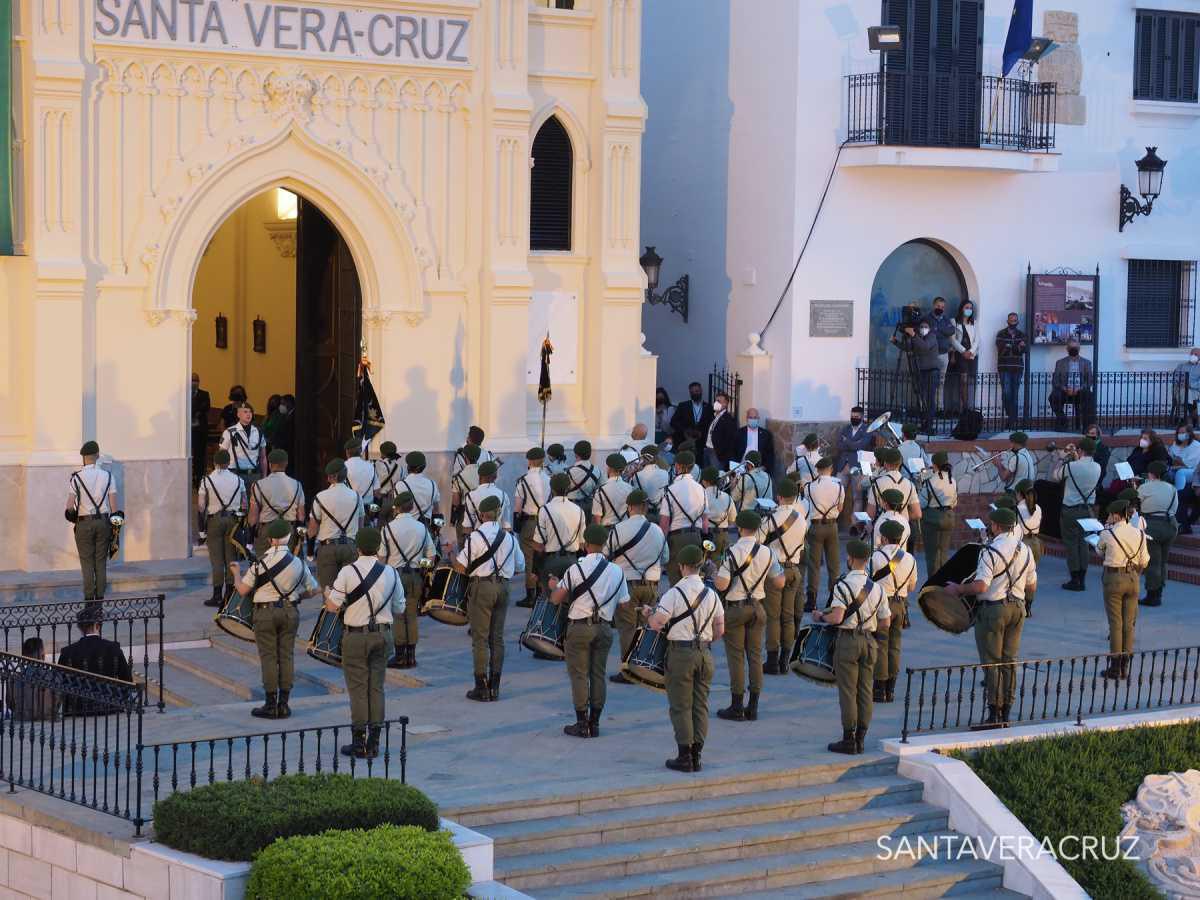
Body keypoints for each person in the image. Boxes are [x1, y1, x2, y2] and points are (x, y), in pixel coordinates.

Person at [944, 508, 1036, 727]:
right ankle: (1007, 711)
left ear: (995, 526)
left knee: (992, 662)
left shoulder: (990, 551)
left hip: (994, 609)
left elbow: (981, 586)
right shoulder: (1025, 549)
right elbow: (1032, 584)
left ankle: (994, 712)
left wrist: (958, 589)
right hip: (1018, 607)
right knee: (1010, 660)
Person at [325, 527, 403, 758]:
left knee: (359, 689)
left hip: (356, 636)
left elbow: (332, 607)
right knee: (376, 687)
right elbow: (399, 608)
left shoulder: (348, 572)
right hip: (383, 634)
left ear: (357, 548)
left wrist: (327, 592)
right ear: (378, 548)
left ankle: (359, 742)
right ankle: (375, 742)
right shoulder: (391, 572)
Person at [230, 519, 320, 719]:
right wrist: (296, 596)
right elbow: (314, 590)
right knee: (286, 656)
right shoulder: (298, 562)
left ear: (270, 540)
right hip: (290, 611)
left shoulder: (260, 563)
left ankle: (271, 704)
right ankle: (284, 704)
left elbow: (243, 590)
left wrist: (236, 574)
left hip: (265, 613)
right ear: (288, 539)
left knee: (269, 658)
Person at [646, 543, 724, 773]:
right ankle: (697, 755)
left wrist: (649, 614)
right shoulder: (711, 594)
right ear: (700, 566)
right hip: (704, 653)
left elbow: (657, 624)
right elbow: (720, 629)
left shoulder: (674, 593)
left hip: (681, 654)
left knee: (681, 706)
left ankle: (684, 757)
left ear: (681, 567)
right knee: (700, 706)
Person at [549, 524, 628, 738]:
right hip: (604, 627)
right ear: (604, 545)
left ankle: (582, 723)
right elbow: (624, 605)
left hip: (580, 627)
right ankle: (595, 723)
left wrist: (554, 586)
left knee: (579, 675)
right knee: (598, 674)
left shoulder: (576, 569)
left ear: (585, 544)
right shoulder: (617, 571)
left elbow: (556, 599)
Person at [812, 539, 888, 754]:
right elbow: (886, 622)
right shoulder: (878, 588)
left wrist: (820, 617)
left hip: (848, 641)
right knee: (865, 691)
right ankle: (861, 739)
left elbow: (836, 617)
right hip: (869, 641)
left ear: (851, 558)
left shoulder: (842, 585)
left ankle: (848, 739)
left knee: (848, 692)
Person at [712, 510, 784, 723]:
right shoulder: (768, 552)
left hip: (736, 607)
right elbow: (779, 582)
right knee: (754, 657)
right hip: (758, 607)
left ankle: (736, 706)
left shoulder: (732, 552)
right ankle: (753, 706)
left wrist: (714, 574)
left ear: (740, 529)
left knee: (736, 658)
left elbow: (722, 584)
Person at [453, 495, 525, 702]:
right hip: (503, 586)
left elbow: (460, 567)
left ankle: (481, 686)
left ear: (482, 515)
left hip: (482, 587)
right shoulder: (510, 538)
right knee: (497, 638)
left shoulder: (475, 537)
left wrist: (451, 555)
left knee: (480, 639)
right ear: (498, 513)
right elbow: (520, 567)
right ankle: (495, 687)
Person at [605, 490, 668, 673]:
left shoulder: (618, 529)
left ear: (629, 507)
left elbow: (606, 555)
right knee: (646, 626)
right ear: (646, 507)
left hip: (627, 585)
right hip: (651, 585)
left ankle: (629, 670)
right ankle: (644, 665)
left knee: (627, 628)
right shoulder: (657, 530)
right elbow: (665, 558)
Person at [378, 492, 436, 668]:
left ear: (396, 508)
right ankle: (411, 656)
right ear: (411, 507)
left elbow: (381, 558)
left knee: (397, 616)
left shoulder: (387, 529)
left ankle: (400, 655)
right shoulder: (421, 528)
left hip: (395, 575)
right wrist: (421, 566)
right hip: (415, 576)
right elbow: (431, 557)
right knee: (411, 615)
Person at [1094, 500, 1149, 680]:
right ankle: (1125, 665)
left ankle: (1115, 667)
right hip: (1133, 577)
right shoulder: (1139, 533)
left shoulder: (1107, 533)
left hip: (1114, 578)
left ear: (1116, 515)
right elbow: (1144, 561)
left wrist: (1105, 531)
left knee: (1115, 623)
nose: (1108, 518)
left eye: (1110, 515)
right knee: (1129, 623)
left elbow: (1099, 551)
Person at [757, 479, 807, 676]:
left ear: (779, 497)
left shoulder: (773, 518)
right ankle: (785, 661)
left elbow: (760, 541)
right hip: (794, 569)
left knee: (773, 617)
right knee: (788, 617)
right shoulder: (801, 519)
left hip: (776, 570)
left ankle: (772, 661)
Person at [871, 519, 917, 705]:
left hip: (882, 604)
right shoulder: (909, 558)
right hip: (900, 605)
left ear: (883, 538)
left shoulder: (876, 557)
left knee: (881, 644)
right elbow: (912, 586)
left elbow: (869, 583)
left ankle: (880, 687)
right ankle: (891, 687)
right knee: (895, 645)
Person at [66, 441, 119, 603]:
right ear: (97, 456)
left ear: (83, 457)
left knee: (87, 562)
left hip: (83, 523)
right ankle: (100, 600)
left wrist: (74, 516)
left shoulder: (77, 478)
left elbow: (69, 507)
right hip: (103, 522)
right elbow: (114, 508)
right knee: (100, 562)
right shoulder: (108, 476)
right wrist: (115, 533)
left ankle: (90, 602)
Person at [58, 608, 133, 714]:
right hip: (110, 706)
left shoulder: (68, 652)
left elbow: (60, 683)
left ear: (80, 628)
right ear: (97, 626)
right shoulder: (113, 648)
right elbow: (127, 680)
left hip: (79, 709)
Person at [198, 449, 247, 607]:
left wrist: (201, 529)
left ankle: (217, 595)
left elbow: (200, 506)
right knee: (231, 557)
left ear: (214, 463)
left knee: (217, 560)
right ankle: (229, 595)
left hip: (215, 520)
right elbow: (244, 504)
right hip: (232, 520)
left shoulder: (207, 480)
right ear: (228, 463)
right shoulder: (239, 480)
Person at [1055, 437, 1101, 592]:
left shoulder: (1071, 466)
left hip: (1071, 510)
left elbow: (1055, 476)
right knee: (1083, 543)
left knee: (1071, 544)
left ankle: (1075, 579)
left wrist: (1062, 459)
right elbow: (1082, 467)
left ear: (1080, 450)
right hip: (1088, 509)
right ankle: (1082, 577)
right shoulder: (1097, 467)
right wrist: (1075, 456)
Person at [308, 459, 363, 588]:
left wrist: (310, 551)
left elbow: (313, 528)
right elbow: (361, 526)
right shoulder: (357, 496)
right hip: (350, 547)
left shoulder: (320, 497)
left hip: (328, 548)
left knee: (329, 592)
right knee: (350, 590)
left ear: (329, 477)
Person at [535, 473, 586, 601]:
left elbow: (539, 544)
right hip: (572, 561)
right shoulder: (578, 510)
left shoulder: (545, 510)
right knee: (572, 602)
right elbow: (582, 544)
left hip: (551, 561)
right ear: (569, 488)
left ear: (552, 489)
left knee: (552, 601)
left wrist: (535, 569)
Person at [660, 450, 708, 583]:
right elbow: (705, 522)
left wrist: (661, 545)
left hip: (676, 539)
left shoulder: (671, 490)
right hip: (697, 536)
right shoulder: (701, 489)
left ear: (677, 466)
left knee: (676, 581)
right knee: (694, 579)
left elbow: (664, 523)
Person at [513, 447, 552, 608]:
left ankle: (531, 595)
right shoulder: (549, 479)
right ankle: (542, 592)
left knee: (529, 558)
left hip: (530, 522)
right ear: (542, 461)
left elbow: (517, 507)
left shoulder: (523, 480)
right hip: (546, 521)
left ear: (529, 461)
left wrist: (516, 523)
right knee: (543, 557)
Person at [248, 449, 304, 557]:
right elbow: (301, 515)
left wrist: (250, 537)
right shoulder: (297, 485)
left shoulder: (258, 485)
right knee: (287, 567)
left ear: (269, 464)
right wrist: (298, 537)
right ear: (286, 463)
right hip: (288, 530)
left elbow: (253, 515)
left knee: (264, 567)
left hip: (266, 531)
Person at [805, 457, 844, 611]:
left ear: (818, 470)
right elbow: (840, 508)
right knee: (833, 564)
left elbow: (807, 507)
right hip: (832, 525)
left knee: (813, 565)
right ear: (831, 469)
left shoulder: (809, 487)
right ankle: (833, 599)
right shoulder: (839, 486)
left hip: (815, 526)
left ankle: (811, 600)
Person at [1137, 461, 1178, 607]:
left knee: (1153, 562)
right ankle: (1159, 590)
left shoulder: (1145, 487)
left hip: (1152, 525)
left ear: (1151, 473)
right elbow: (1174, 509)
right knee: (1163, 562)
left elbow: (1137, 504)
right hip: (1170, 524)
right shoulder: (1172, 489)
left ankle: (1152, 595)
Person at [920, 452, 958, 576]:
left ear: (934, 464)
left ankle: (933, 585)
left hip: (932, 519)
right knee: (943, 553)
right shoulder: (952, 479)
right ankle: (944, 582)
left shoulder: (930, 479)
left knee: (932, 556)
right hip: (948, 517)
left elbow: (922, 503)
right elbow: (954, 502)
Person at [835, 407, 872, 522]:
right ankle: (833, 521)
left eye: (856, 416)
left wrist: (847, 442)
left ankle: (855, 525)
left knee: (858, 497)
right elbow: (839, 445)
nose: (853, 418)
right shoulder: (845, 428)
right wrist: (853, 444)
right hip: (843, 466)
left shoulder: (867, 430)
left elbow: (861, 446)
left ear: (861, 417)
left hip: (858, 467)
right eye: (852, 416)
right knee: (837, 494)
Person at [866, 449, 921, 526]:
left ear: (885, 463)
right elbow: (917, 514)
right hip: (903, 529)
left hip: (881, 527)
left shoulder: (876, 483)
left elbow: (870, 514)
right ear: (900, 463)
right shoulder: (910, 485)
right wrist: (902, 518)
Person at [1049, 338, 1093, 431]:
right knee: (1053, 397)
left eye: (1075, 347)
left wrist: (1079, 388)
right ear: (1067, 349)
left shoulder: (1086, 363)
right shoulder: (1060, 362)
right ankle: (1063, 420)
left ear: (1079, 348)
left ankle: (1087, 427)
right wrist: (1064, 388)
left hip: (1080, 392)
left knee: (1089, 395)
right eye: (1071, 347)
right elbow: (1055, 381)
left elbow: (1089, 381)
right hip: (1065, 392)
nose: (1073, 349)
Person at [1014, 480, 1043, 616]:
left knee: (1019, 575)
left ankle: (1020, 604)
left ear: (1020, 494)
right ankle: (1029, 606)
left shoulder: (1017, 509)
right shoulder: (1038, 508)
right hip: (1036, 543)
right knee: (1032, 575)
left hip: (1023, 543)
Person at [946, 299, 979, 416]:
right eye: (966, 307)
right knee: (962, 381)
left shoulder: (973, 322)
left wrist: (970, 351)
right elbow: (952, 339)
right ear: (961, 308)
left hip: (971, 355)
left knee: (968, 381)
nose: (968, 310)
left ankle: (966, 407)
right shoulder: (954, 322)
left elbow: (977, 339)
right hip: (959, 355)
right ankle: (963, 408)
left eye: (970, 308)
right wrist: (963, 351)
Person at [923, 297, 957, 409]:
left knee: (941, 382)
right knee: (930, 382)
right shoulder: (927, 318)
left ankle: (940, 407)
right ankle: (928, 407)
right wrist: (941, 330)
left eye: (942, 307)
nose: (940, 308)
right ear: (934, 306)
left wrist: (938, 329)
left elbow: (951, 330)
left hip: (943, 354)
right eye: (938, 306)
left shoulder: (945, 319)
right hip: (931, 355)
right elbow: (924, 332)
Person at [220, 402, 266, 485]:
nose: (248, 414)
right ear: (238, 414)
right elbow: (221, 455)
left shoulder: (258, 432)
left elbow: (263, 457)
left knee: (254, 497)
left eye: (250, 412)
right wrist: (221, 475)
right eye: (245, 412)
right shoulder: (229, 432)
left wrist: (264, 476)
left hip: (254, 474)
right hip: (235, 474)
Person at [12, 637, 56, 722]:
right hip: (48, 720)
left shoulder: (15, 679)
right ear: (43, 655)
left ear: (24, 657)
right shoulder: (54, 676)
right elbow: (58, 700)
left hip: (22, 720)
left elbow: (11, 703)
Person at [996, 313, 1028, 429]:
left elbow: (1023, 350)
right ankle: (1012, 416)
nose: (1013, 322)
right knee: (1006, 393)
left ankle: (1011, 421)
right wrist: (1015, 346)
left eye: (1015, 320)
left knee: (1015, 394)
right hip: (1004, 367)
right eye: (1011, 320)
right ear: (1007, 321)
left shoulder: (1022, 335)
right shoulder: (1001, 334)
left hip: (1017, 368)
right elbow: (1001, 350)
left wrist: (1009, 346)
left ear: (1017, 321)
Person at [463, 461, 511, 533]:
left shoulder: (471, 495)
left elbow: (467, 526)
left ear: (479, 476)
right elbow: (506, 526)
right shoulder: (504, 495)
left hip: (478, 537)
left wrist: (470, 541)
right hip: (498, 537)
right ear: (495, 477)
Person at [397, 451, 441, 528]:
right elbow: (436, 510)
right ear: (424, 466)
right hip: (425, 527)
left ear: (408, 467)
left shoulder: (400, 485)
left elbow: (397, 509)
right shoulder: (432, 484)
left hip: (405, 527)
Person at [700, 467, 736, 558]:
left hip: (705, 535)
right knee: (718, 565)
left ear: (704, 481)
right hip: (722, 536)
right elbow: (732, 521)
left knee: (704, 565)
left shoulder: (700, 495)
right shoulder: (727, 497)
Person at [670, 382, 713, 449]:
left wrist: (702, 432)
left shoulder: (708, 407)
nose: (694, 394)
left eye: (697, 391)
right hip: (684, 440)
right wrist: (685, 430)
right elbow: (673, 422)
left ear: (701, 391)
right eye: (692, 392)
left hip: (702, 443)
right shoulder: (683, 405)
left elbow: (711, 424)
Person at [630, 447, 669, 520]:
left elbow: (635, 493)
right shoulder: (665, 473)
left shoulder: (637, 475)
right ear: (656, 458)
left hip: (644, 512)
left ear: (643, 459)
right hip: (661, 512)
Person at [593, 454, 633, 525]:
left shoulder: (600, 491)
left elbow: (597, 518)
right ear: (623, 469)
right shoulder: (630, 488)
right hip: (624, 528)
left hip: (606, 530)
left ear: (609, 469)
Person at [704, 392, 739, 471]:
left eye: (719, 401)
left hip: (716, 453)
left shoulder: (728, 419)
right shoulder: (714, 416)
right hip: (707, 450)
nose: (716, 403)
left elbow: (729, 440)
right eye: (716, 401)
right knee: (706, 475)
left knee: (716, 476)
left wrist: (721, 454)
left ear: (726, 404)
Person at [343, 437, 379, 511]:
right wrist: (374, 514)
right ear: (360, 451)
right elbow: (377, 492)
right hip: (368, 509)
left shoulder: (343, 467)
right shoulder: (371, 466)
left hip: (350, 509)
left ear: (347, 452)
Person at [736, 408, 775, 475]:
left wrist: (764, 467)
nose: (753, 420)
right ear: (747, 418)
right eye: (750, 417)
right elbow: (734, 451)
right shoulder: (739, 433)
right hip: (742, 466)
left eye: (755, 417)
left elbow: (770, 454)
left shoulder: (766, 434)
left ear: (758, 418)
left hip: (759, 468)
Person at [567, 441, 601, 515]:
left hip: (572, 507)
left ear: (576, 454)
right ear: (590, 453)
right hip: (589, 506)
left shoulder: (570, 471)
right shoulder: (597, 470)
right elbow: (600, 489)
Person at [191, 373, 211, 487]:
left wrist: (196, 412)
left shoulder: (204, 394)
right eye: (192, 380)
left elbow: (206, 407)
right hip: (188, 430)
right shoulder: (184, 394)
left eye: (196, 380)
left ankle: (198, 478)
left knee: (199, 455)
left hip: (200, 430)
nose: (194, 382)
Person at [1168, 425, 1200, 493]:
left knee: (1181, 472)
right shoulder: (1175, 444)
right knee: (1166, 472)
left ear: (1189, 433)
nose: (1180, 434)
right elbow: (1172, 458)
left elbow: (1190, 464)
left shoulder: (1196, 445)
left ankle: (1178, 495)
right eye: (1179, 433)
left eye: (1182, 432)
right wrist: (1177, 461)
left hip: (1193, 471)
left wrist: (1179, 462)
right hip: (1176, 467)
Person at [1173, 348, 1200, 427]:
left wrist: (1190, 385)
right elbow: (1176, 377)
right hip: (1181, 389)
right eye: (1191, 354)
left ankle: (1184, 418)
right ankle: (1192, 416)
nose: (1193, 356)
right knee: (1184, 392)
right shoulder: (1181, 365)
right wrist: (1183, 383)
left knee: (1187, 394)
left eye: (1195, 354)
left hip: (1195, 391)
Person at [272, 394, 296, 467]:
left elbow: (289, 436)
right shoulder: (287, 415)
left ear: (289, 403)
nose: (281, 406)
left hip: (289, 451)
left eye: (283, 404)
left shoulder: (294, 416)